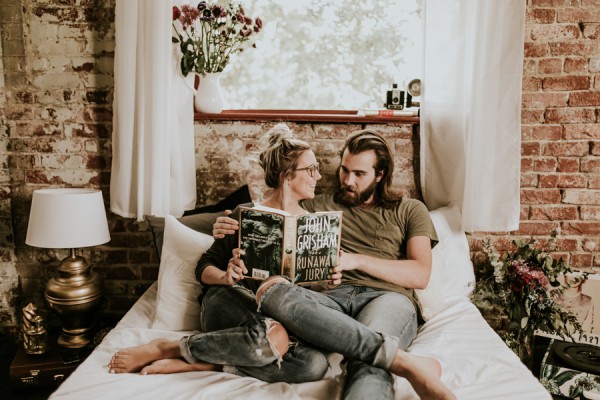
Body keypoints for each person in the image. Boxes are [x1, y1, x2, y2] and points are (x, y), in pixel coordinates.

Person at [214, 130, 457, 400]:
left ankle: (394, 362)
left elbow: (420, 274)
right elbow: (272, 207)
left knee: (367, 364)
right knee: (273, 290)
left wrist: (356, 260)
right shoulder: (317, 204)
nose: (348, 180)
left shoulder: (409, 209)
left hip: (387, 297)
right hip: (331, 298)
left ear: (380, 175)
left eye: (359, 174)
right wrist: (226, 223)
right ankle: (402, 360)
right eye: (345, 170)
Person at [107, 124, 331, 382]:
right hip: (229, 300)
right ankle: (167, 347)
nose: (318, 176)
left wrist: (326, 279)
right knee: (270, 336)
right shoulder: (243, 213)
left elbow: (311, 291)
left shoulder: (311, 226)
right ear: (287, 175)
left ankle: (207, 365)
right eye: (312, 169)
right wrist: (226, 275)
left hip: (278, 316)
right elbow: (204, 267)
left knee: (313, 364)